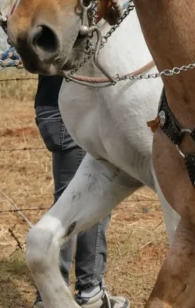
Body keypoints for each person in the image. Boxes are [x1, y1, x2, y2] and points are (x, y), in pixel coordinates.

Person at [33, 75, 127, 308]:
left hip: (50, 108)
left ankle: (53, 294)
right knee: (92, 198)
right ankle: (88, 292)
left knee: (66, 200)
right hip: (77, 108)